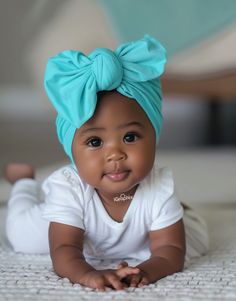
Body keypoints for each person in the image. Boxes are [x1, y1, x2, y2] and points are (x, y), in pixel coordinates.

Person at [4, 35, 209, 291]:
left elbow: (171, 250)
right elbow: (64, 250)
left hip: (140, 228)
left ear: (154, 136)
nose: (115, 155)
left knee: (196, 241)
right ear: (72, 151)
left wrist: (144, 271)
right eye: (94, 142)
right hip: (73, 222)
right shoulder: (69, 188)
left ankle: (173, 211)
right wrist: (89, 275)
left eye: (130, 137)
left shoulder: (158, 184)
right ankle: (23, 181)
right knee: (21, 236)